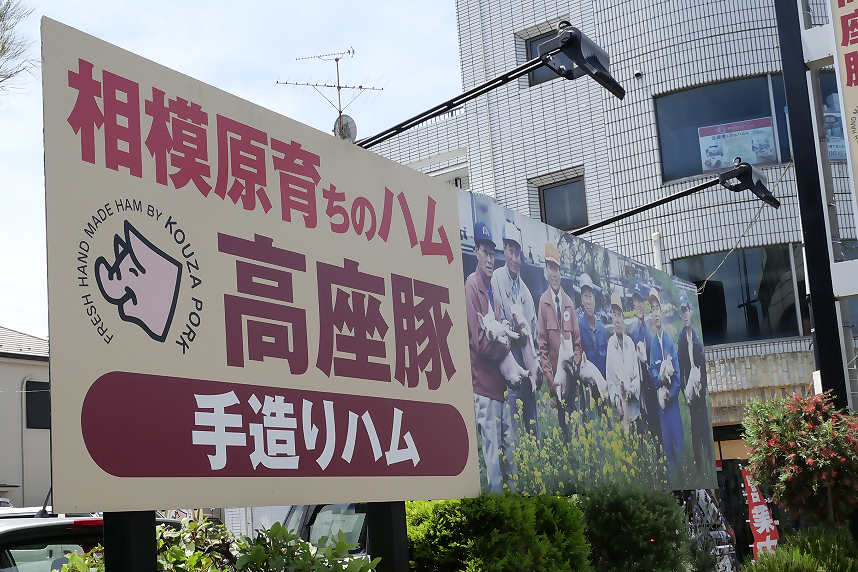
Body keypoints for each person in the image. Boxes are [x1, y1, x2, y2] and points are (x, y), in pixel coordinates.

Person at [465, 221, 517, 493]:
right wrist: (506, 347)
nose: (489, 258)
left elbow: (500, 335)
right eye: (484, 251)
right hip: (484, 387)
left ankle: (517, 508)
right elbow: (482, 344)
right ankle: (497, 510)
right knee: (493, 457)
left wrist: (504, 342)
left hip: (501, 388)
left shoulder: (493, 291)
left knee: (510, 452)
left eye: (492, 253)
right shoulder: (472, 286)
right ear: (476, 252)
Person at [492, 222, 540, 440]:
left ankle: (536, 463)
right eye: (510, 251)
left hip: (526, 357)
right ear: (503, 249)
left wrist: (534, 363)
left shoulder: (527, 293)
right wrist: (516, 333)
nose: (514, 258)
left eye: (517, 252)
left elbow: (533, 333)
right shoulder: (496, 280)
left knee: (532, 420)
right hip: (507, 358)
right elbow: (497, 322)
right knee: (513, 425)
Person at [537, 241, 582, 438]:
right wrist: (551, 380)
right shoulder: (543, 302)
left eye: (556, 268)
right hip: (557, 384)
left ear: (560, 271)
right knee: (564, 432)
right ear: (546, 271)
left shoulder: (570, 304)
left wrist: (576, 364)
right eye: (550, 268)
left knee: (578, 429)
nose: (553, 273)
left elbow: (578, 343)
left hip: (572, 383)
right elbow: (542, 346)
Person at [648, 287, 684, 485]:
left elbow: (677, 374)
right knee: (667, 447)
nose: (655, 313)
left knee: (679, 445)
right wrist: (660, 381)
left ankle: (683, 479)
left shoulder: (669, 341)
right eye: (652, 309)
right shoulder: (653, 344)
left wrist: (672, 391)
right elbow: (653, 376)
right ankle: (674, 485)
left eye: (657, 308)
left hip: (674, 405)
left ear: (662, 312)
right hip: (662, 407)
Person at [677, 291, 712, 481]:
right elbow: (681, 366)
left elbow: (704, 367)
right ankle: (699, 465)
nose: (685, 315)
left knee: (704, 426)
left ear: (690, 311)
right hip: (690, 387)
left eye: (686, 311)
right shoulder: (681, 338)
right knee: (695, 428)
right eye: (682, 312)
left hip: (700, 386)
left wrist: (702, 387)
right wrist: (684, 390)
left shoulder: (697, 339)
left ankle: (708, 461)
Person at [628, 281, 663, 448]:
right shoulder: (632, 331)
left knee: (655, 423)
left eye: (641, 301)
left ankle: (659, 453)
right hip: (637, 386)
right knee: (640, 427)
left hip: (649, 385)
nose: (638, 305)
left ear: (644, 304)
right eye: (636, 301)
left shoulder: (649, 334)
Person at [605, 292, 640, 433]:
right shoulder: (610, 345)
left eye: (619, 315)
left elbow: (637, 376)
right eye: (614, 314)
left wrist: (632, 390)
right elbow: (610, 379)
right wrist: (616, 400)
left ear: (624, 318)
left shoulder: (630, 344)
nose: (617, 320)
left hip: (634, 410)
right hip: (620, 411)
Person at [578, 273, 608, 381]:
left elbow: (608, 358)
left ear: (594, 299)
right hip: (589, 386)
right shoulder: (579, 327)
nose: (588, 301)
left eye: (590, 296)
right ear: (582, 299)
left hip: (604, 384)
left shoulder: (601, 328)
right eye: (585, 296)